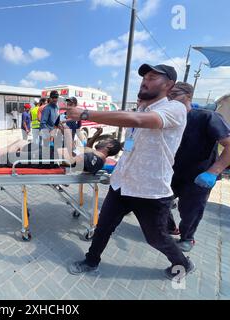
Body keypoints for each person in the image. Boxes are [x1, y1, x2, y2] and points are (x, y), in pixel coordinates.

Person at [64, 63, 195, 281]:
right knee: (103, 226)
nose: (145, 80)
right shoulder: (141, 109)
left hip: (150, 190)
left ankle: (183, 263)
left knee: (156, 238)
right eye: (144, 77)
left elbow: (137, 121)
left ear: (169, 85)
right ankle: (91, 261)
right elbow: (133, 134)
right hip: (122, 184)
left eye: (153, 77)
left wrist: (86, 113)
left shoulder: (175, 109)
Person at [167, 82, 230, 252]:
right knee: (158, 202)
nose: (169, 99)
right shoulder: (168, 117)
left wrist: (213, 172)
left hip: (199, 176)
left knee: (190, 211)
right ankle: (170, 227)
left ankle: (187, 237)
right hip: (171, 172)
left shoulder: (207, 117)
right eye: (167, 96)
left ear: (188, 96)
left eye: (173, 95)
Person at [0, 124, 121, 175]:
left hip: (49, 159)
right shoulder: (94, 154)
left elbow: (72, 161)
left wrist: (65, 138)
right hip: (48, 153)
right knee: (19, 142)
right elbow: (86, 148)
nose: (102, 139)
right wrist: (98, 134)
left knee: (12, 158)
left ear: (110, 146)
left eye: (105, 139)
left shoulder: (96, 161)